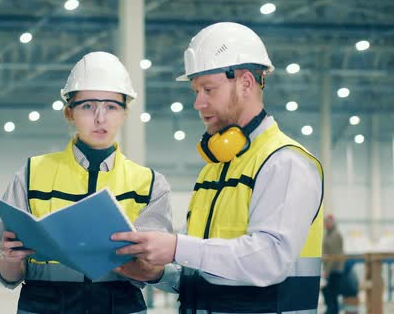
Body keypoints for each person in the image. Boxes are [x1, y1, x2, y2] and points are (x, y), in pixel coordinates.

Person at [112, 22, 324, 313]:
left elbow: (269, 260)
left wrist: (176, 247)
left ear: (246, 83)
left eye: (208, 89)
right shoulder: (215, 168)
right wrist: (159, 273)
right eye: (196, 90)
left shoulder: (285, 162)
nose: (198, 102)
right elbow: (206, 271)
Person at [0, 51, 173, 313]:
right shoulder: (32, 174)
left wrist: (136, 263)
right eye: (88, 106)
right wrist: (10, 258)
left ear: (125, 113)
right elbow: (9, 275)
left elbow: (155, 271)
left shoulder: (149, 184)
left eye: (111, 106)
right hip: (44, 305)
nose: (101, 118)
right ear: (69, 112)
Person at [322, 214, 344, 314]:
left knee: (332, 294)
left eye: (326, 222)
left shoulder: (335, 235)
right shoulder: (328, 234)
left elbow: (334, 256)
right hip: (330, 269)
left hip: (334, 270)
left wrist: (327, 271)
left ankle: (332, 311)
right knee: (329, 292)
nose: (324, 224)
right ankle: (331, 311)